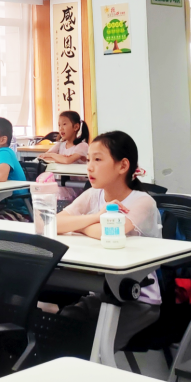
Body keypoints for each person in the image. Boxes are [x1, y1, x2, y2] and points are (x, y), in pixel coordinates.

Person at [56, 130, 162, 348]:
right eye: (88, 159)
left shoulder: (142, 201)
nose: (89, 167)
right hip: (100, 293)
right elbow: (54, 223)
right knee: (60, 326)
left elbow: (113, 232)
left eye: (97, 159)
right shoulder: (93, 195)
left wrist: (79, 225)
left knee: (90, 346)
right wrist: (95, 217)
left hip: (137, 299)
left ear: (123, 166)